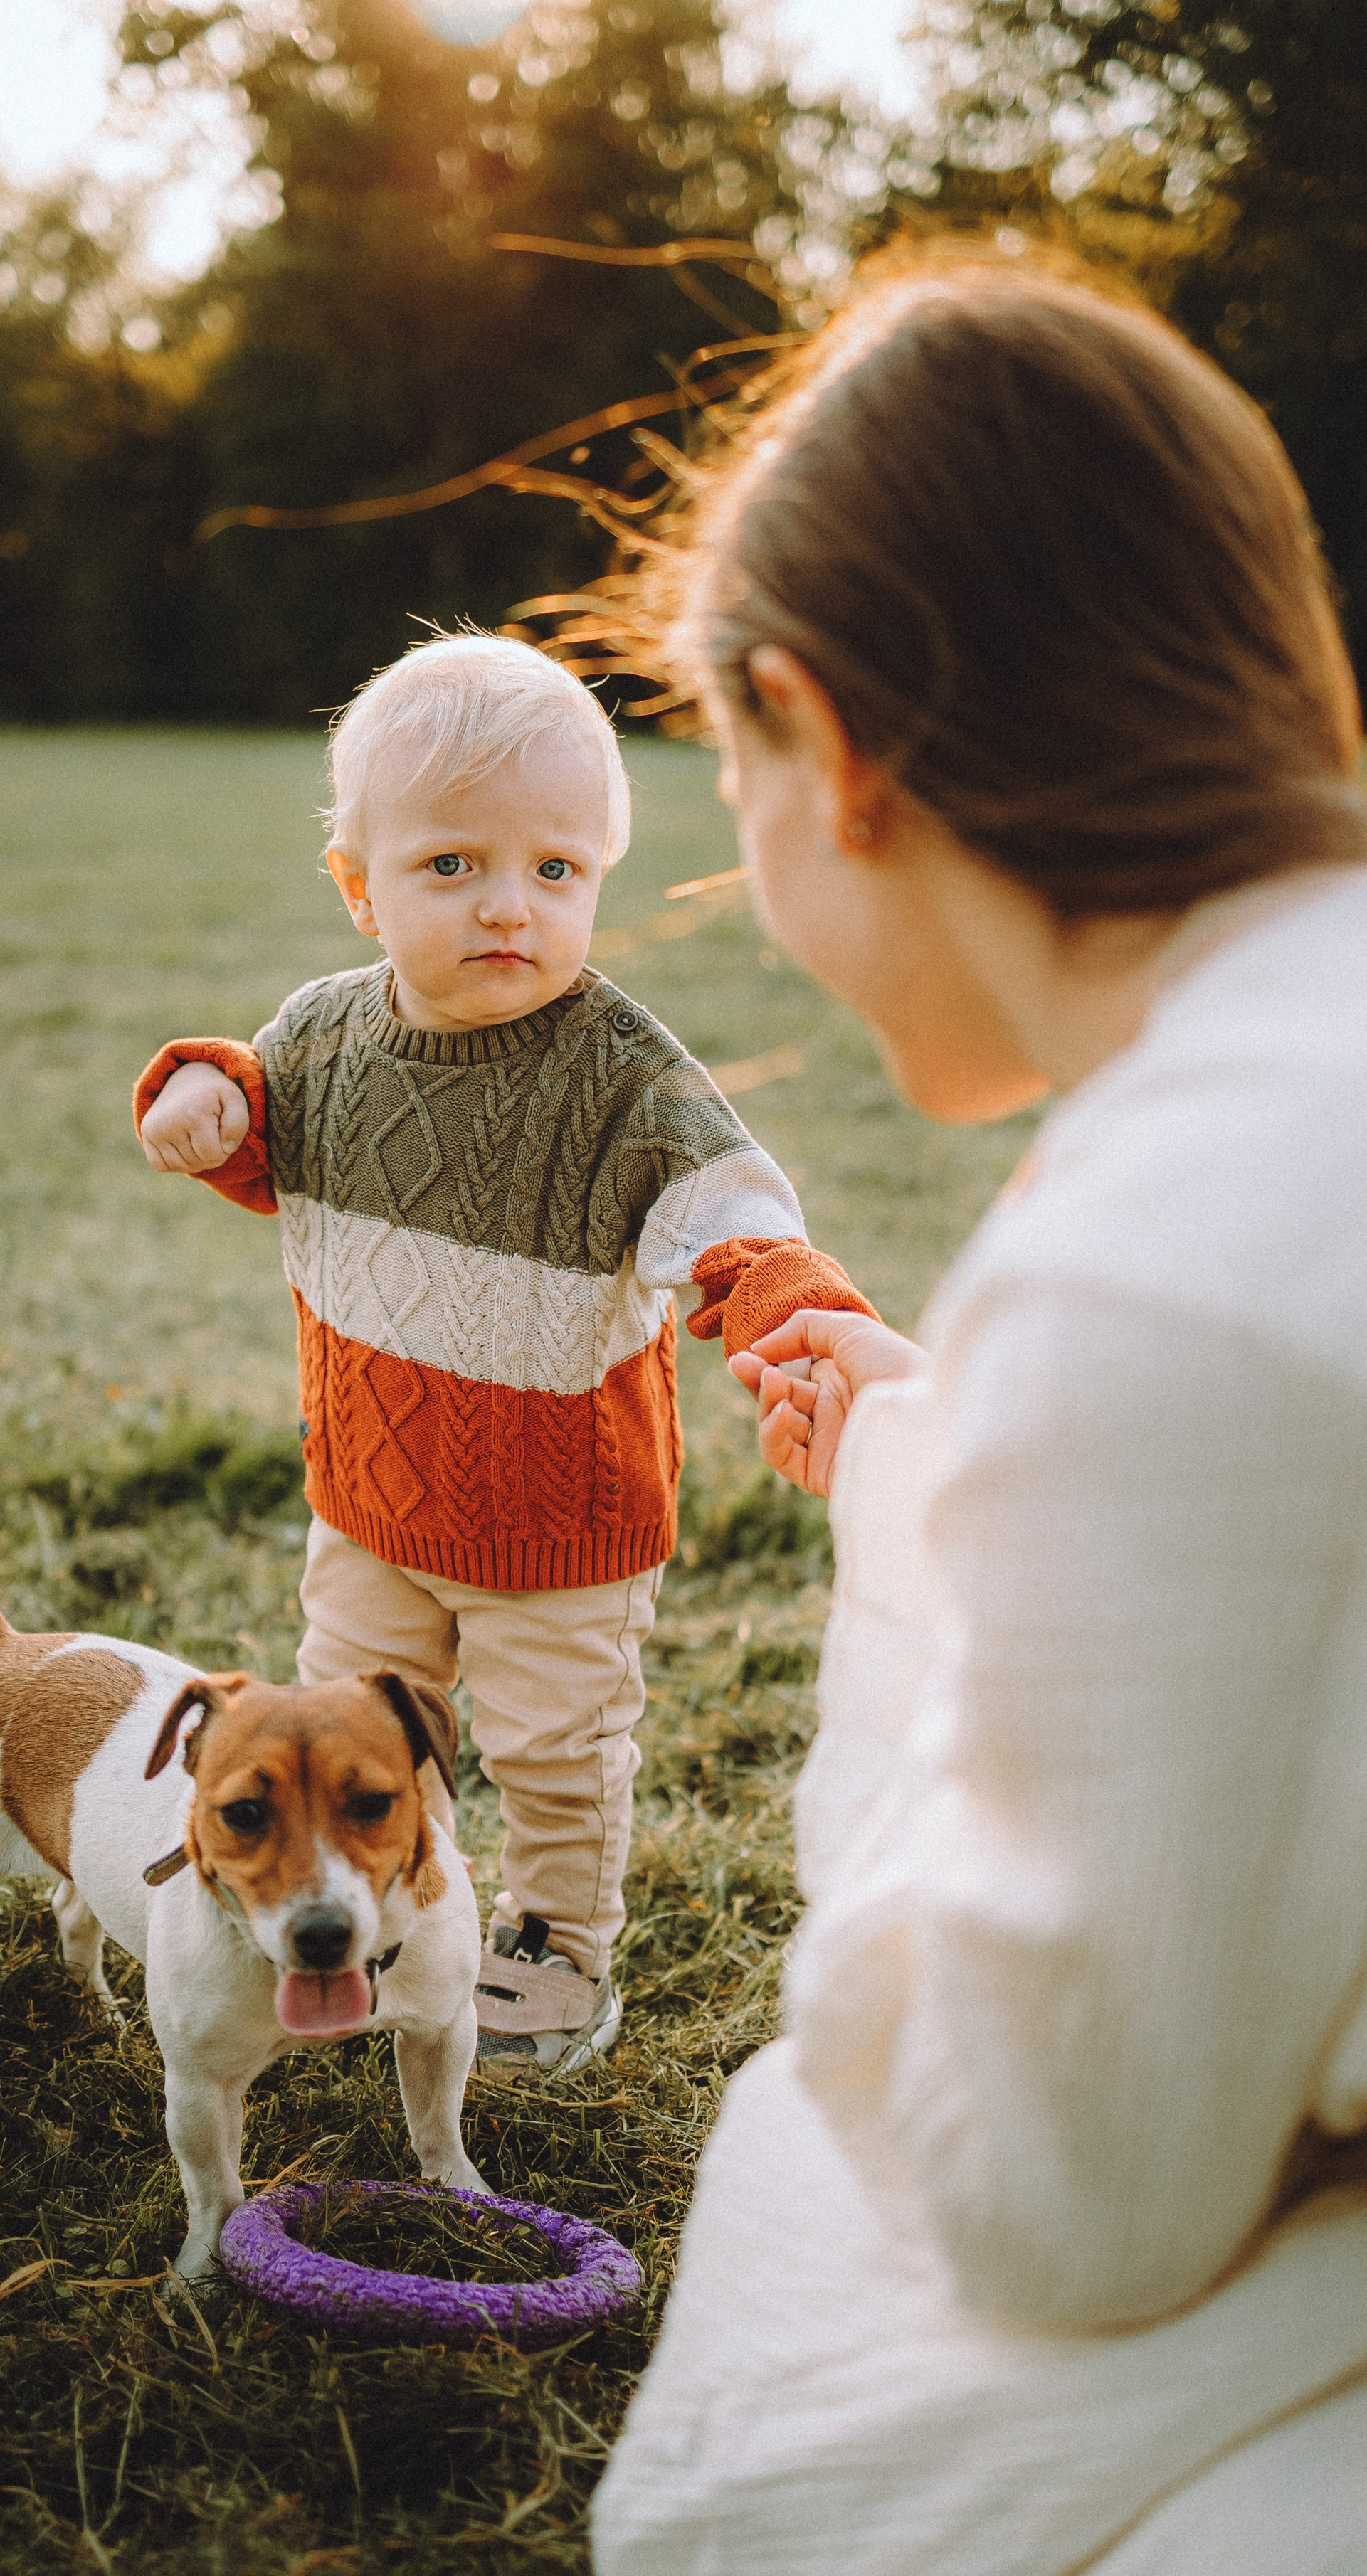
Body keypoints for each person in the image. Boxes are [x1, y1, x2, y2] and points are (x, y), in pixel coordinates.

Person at [591, 250, 1367, 2574]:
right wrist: (964, 1471)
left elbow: (1069, 2199)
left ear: (836, 741)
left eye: (728, 782)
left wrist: (919, 1667)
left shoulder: (1160, 1261)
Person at [134, 632, 875, 2072]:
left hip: (560, 1523)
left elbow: (734, 1215)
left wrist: (796, 1303)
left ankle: (554, 1950)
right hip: (367, 1499)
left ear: (596, 876)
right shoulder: (323, 1035)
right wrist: (203, 1102)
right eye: (450, 867)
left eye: (554, 873)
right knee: (355, 1740)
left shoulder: (620, 1074)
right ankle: (387, 1906)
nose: (507, 909)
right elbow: (258, 1127)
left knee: (551, 1750)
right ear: (358, 885)